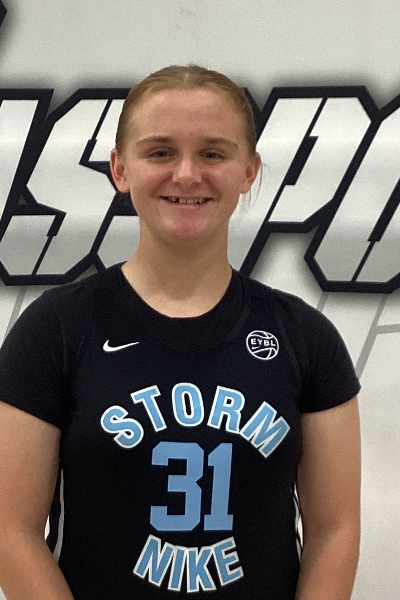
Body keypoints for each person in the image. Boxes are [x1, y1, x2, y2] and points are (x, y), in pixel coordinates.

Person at [0, 65, 361, 600]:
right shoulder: (54, 330)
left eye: (213, 153)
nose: (187, 174)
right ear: (120, 169)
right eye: (160, 152)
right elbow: (11, 530)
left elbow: (335, 532)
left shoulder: (306, 338)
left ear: (249, 171)